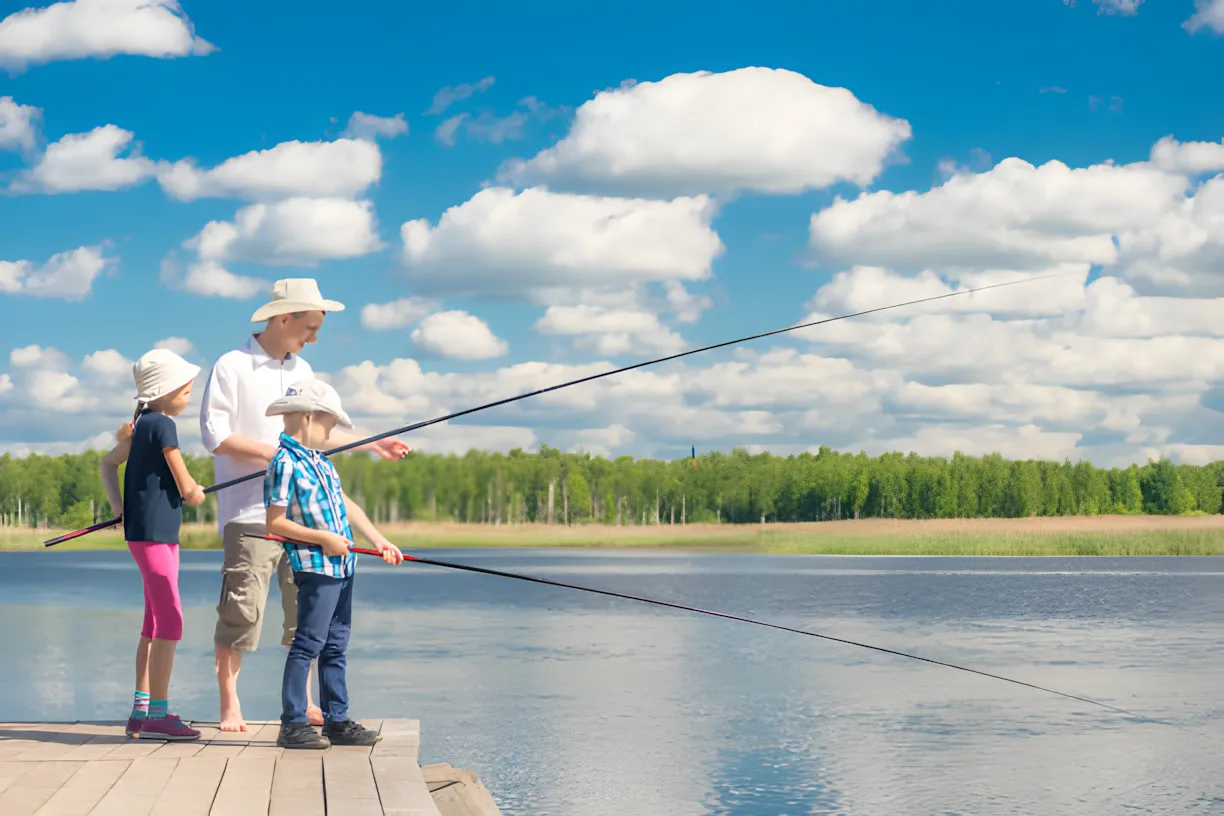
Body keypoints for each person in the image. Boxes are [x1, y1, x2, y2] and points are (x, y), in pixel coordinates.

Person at [199, 278, 411, 732]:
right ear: (282, 319)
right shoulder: (232, 365)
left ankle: (309, 703)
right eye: (309, 327)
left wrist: (372, 445)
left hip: (305, 520)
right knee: (242, 610)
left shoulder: (303, 373)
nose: (314, 337)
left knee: (305, 614)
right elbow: (216, 437)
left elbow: (318, 433)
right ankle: (229, 701)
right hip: (249, 514)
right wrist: (279, 456)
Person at [261, 378, 404, 748]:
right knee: (308, 643)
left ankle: (336, 720)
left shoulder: (321, 463)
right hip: (316, 568)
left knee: (337, 645)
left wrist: (379, 539)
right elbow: (274, 523)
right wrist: (323, 538)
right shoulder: (284, 462)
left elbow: (346, 506)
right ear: (308, 417)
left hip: (344, 567)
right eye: (331, 425)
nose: (332, 433)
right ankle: (292, 723)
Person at [99, 348, 207, 741]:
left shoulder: (139, 423)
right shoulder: (162, 424)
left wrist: (119, 507)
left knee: (153, 622)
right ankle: (159, 715)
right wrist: (194, 493)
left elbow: (107, 464)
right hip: (157, 536)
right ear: (165, 391)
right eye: (185, 389)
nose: (188, 395)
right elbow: (184, 482)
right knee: (171, 621)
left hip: (147, 535)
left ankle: (140, 711)